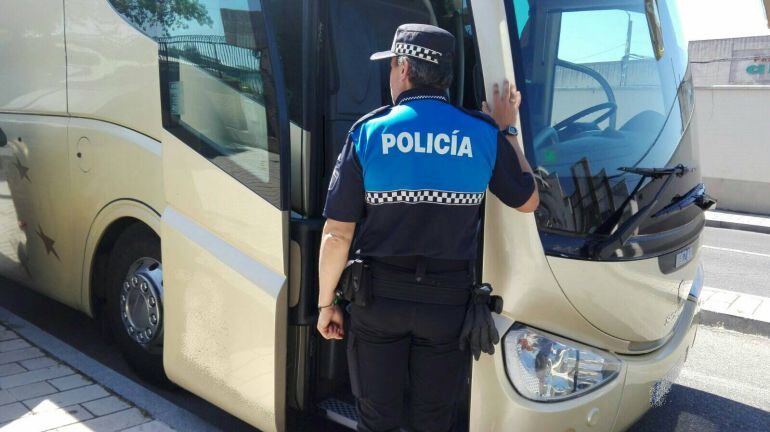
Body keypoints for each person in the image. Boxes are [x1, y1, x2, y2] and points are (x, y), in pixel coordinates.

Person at [316, 23, 539, 432]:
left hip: (378, 302)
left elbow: (336, 234)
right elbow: (528, 200)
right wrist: (507, 129)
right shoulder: (482, 133)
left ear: (403, 68)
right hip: (448, 307)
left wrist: (325, 303)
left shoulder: (368, 132)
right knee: (433, 421)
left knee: (377, 419)